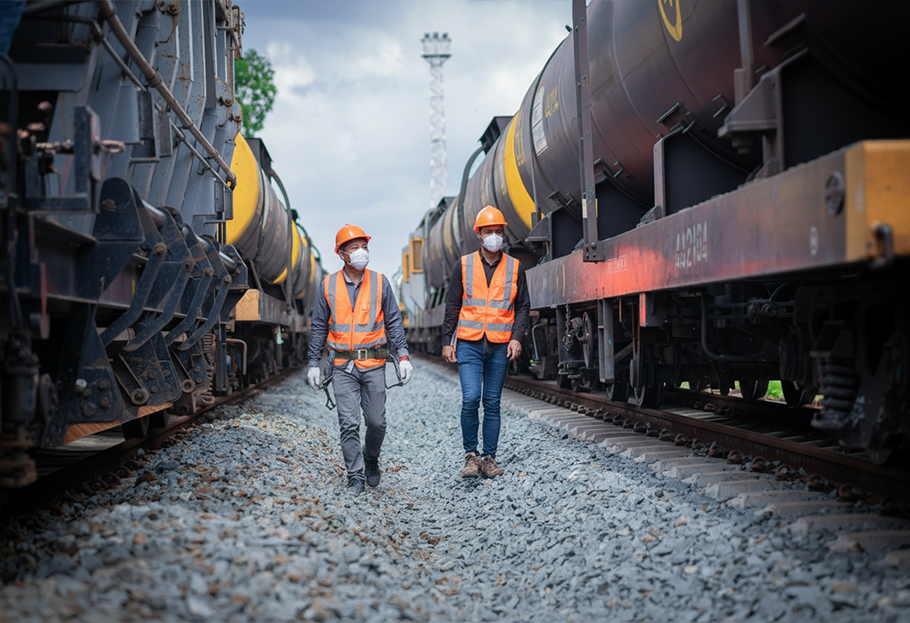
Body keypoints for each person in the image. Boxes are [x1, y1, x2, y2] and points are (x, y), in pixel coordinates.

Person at [307, 224, 412, 495]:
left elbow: (394, 323)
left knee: (377, 422)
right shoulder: (328, 285)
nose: (361, 252)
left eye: (364, 246)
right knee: (349, 423)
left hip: (374, 364)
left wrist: (403, 356)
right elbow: (319, 326)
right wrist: (312, 365)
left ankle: (371, 457)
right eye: (354, 248)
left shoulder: (381, 282)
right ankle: (355, 476)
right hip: (342, 366)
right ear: (341, 254)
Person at [441, 206, 530, 479]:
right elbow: (453, 304)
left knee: (492, 402)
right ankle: (471, 456)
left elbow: (523, 306)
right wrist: (447, 340)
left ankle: (489, 458)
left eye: (498, 231)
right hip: (468, 342)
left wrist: (516, 338)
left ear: (504, 234)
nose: (494, 236)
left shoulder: (515, 267)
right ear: (479, 235)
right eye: (488, 231)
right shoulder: (463, 265)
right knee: (471, 398)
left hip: (500, 344)